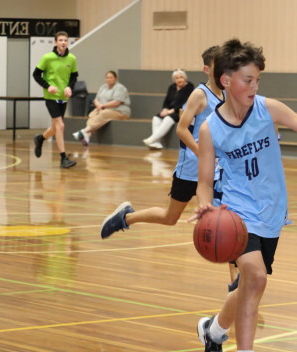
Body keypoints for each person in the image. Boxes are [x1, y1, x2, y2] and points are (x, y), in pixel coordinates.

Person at [191, 39, 297, 352]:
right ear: (226, 80)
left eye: (257, 79)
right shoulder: (211, 129)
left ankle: (213, 332)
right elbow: (204, 182)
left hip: (272, 213)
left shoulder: (268, 109)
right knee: (256, 278)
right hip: (237, 215)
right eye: (248, 80)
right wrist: (206, 207)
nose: (254, 86)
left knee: (248, 285)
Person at [100, 46, 223, 240]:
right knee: (170, 217)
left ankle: (233, 258)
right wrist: (202, 153)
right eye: (219, 65)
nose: (225, 68)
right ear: (207, 69)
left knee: (217, 220)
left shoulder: (227, 95)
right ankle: (126, 217)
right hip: (191, 168)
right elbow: (181, 129)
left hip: (215, 169)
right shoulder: (200, 95)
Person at [32, 31, 78, 168]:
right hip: (51, 97)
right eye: (61, 40)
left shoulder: (72, 59)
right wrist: (48, 86)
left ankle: (40, 138)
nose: (63, 42)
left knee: (55, 127)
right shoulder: (47, 58)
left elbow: (74, 76)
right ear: (56, 42)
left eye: (65, 40)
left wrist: (70, 87)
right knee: (61, 126)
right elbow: (36, 75)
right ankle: (63, 158)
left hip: (63, 97)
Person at [72, 70, 131, 145]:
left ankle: (84, 131)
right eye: (107, 78)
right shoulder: (103, 87)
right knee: (92, 114)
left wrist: (102, 106)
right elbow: (96, 99)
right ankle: (88, 135)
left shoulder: (120, 88)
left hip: (119, 111)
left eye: (111, 78)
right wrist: (98, 106)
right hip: (104, 109)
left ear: (116, 79)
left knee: (104, 114)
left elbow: (116, 102)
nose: (109, 79)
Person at [142, 70, 194, 150]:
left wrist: (172, 110)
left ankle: (151, 139)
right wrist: (165, 109)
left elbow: (186, 102)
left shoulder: (189, 87)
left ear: (185, 78)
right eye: (177, 78)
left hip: (181, 112)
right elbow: (166, 101)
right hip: (169, 111)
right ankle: (156, 142)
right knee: (156, 117)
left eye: (181, 77)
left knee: (168, 118)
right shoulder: (171, 87)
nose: (179, 80)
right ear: (174, 79)